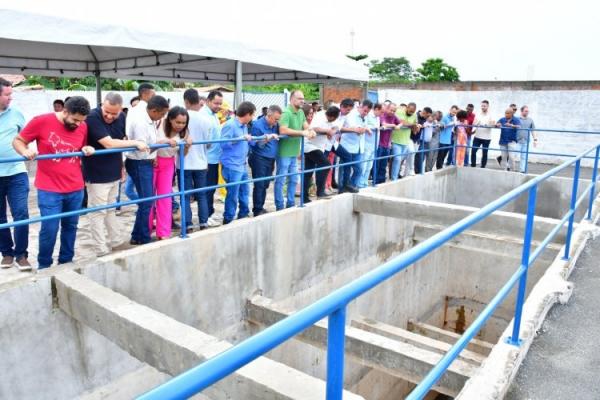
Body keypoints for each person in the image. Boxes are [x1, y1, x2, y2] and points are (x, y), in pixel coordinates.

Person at [13, 96, 95, 269]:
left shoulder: (82, 125)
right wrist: (25, 151)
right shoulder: (41, 121)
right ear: (64, 111)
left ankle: (66, 261)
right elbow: (18, 141)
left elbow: (81, 146)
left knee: (71, 226)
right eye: (74, 120)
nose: (78, 124)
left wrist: (86, 149)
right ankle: (44, 265)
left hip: (75, 187)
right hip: (49, 188)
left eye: (81, 121)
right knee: (49, 229)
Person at [82, 92, 149, 257]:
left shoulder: (122, 117)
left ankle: (116, 241)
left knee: (111, 209)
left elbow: (120, 142)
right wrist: (135, 142)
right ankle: (100, 248)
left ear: (121, 109)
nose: (110, 116)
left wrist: (122, 166)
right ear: (102, 105)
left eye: (114, 113)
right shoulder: (92, 117)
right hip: (96, 174)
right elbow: (109, 143)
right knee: (97, 212)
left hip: (113, 171)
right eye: (107, 112)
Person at [125, 95, 169, 245]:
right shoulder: (142, 123)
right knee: (147, 201)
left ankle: (137, 235)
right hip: (139, 162)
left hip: (144, 162)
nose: (162, 117)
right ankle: (142, 236)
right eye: (162, 114)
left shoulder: (150, 120)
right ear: (155, 110)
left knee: (146, 201)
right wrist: (162, 144)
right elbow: (143, 148)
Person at [0, 77, 30, 270]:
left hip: (17, 172)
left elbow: (25, 138)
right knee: (0, 217)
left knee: (21, 214)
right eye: (7, 94)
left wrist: (25, 150)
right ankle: (7, 253)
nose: (11, 98)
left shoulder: (16, 113)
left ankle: (21, 254)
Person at [150, 107, 189, 240]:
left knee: (165, 198)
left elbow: (182, 154)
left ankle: (163, 232)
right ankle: (147, 228)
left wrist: (187, 146)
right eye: (178, 122)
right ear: (170, 119)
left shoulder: (185, 132)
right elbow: (149, 142)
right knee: (148, 197)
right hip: (153, 161)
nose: (180, 125)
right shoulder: (159, 123)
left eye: (183, 123)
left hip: (168, 164)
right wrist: (164, 142)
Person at [178, 89, 211, 232]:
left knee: (185, 196)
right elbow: (209, 143)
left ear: (186, 101)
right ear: (198, 101)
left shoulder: (180, 117)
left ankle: (188, 224)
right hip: (201, 162)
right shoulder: (206, 119)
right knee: (202, 195)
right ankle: (204, 223)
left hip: (183, 163)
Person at [276, 90, 315, 210]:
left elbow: (305, 126)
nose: (302, 101)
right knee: (281, 180)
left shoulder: (301, 113)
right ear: (292, 99)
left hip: (294, 151)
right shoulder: (286, 112)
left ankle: (291, 204)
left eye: (303, 98)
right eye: (299, 98)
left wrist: (310, 130)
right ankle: (279, 206)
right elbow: (283, 130)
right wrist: (302, 133)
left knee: (293, 179)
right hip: (284, 152)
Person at [220, 101, 258, 224]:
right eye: (252, 115)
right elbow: (223, 143)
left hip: (242, 164)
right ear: (247, 114)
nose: (252, 118)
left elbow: (247, 141)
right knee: (233, 194)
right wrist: (240, 138)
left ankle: (243, 214)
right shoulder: (230, 125)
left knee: (245, 192)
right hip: (231, 165)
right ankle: (228, 218)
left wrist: (263, 138)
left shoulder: (245, 126)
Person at [249, 105, 281, 215]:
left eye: (278, 119)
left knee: (266, 184)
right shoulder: (257, 125)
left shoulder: (275, 125)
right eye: (276, 119)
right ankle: (257, 209)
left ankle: (260, 206)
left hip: (270, 159)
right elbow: (255, 145)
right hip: (259, 158)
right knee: (259, 184)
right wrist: (266, 139)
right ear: (269, 115)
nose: (277, 122)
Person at [304, 106, 340, 201]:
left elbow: (337, 126)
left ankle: (304, 198)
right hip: (310, 146)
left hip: (319, 146)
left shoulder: (333, 119)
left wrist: (333, 130)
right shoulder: (320, 116)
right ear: (330, 116)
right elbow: (314, 128)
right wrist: (327, 131)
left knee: (308, 172)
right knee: (325, 164)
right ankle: (320, 192)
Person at [338, 99, 372, 192]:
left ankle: (351, 186)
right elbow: (356, 128)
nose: (365, 113)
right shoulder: (351, 114)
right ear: (360, 106)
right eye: (364, 110)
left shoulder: (366, 116)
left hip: (359, 147)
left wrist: (366, 128)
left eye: (367, 112)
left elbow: (365, 126)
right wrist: (364, 129)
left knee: (359, 169)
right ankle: (341, 189)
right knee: (344, 169)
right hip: (347, 146)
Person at [358, 102, 383, 187]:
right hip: (367, 144)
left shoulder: (378, 118)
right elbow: (364, 125)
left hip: (374, 144)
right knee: (364, 164)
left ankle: (365, 181)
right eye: (381, 112)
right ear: (376, 109)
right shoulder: (368, 115)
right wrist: (372, 128)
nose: (382, 114)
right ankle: (360, 182)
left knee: (370, 165)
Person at [391, 102, 418, 179]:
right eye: (410, 111)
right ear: (407, 108)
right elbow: (401, 122)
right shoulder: (399, 111)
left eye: (413, 112)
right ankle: (394, 178)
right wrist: (411, 125)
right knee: (397, 159)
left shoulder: (414, 115)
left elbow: (415, 130)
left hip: (405, 141)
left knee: (400, 160)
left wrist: (415, 126)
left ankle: (395, 175)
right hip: (396, 140)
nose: (411, 113)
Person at [377, 103, 401, 183]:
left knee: (384, 164)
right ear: (387, 108)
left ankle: (381, 180)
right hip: (379, 143)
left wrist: (399, 126)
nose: (392, 112)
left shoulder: (394, 117)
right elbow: (384, 124)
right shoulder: (382, 115)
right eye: (391, 110)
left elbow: (401, 122)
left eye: (394, 111)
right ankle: (375, 180)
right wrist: (394, 125)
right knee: (377, 163)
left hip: (387, 144)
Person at [471, 100, 495, 168]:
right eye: (482, 106)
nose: (483, 107)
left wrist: (488, 124)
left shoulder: (491, 115)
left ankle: (483, 166)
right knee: (473, 151)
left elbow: (493, 124)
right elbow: (473, 124)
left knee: (484, 153)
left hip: (486, 138)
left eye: (484, 106)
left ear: (488, 106)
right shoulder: (478, 114)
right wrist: (476, 123)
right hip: (477, 136)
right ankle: (473, 165)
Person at [517, 105, 538, 173]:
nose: (527, 112)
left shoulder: (530, 120)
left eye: (528, 111)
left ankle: (522, 170)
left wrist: (535, 140)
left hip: (526, 141)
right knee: (512, 155)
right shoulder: (516, 119)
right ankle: (504, 162)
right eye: (525, 111)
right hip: (517, 141)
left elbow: (533, 130)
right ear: (521, 111)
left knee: (524, 157)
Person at [414, 107, 433, 174]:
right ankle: (417, 171)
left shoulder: (425, 119)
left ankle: (418, 171)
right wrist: (420, 126)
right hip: (415, 139)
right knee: (417, 156)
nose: (428, 117)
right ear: (425, 113)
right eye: (428, 116)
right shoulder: (416, 116)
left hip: (418, 140)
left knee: (420, 157)